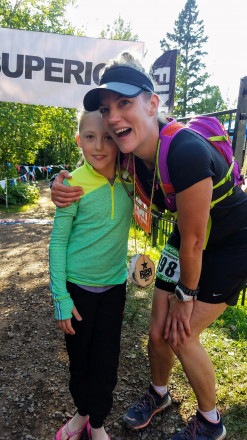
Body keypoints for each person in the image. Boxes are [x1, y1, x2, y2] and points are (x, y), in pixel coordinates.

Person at [51, 52, 247, 440]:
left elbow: (194, 241)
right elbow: (94, 162)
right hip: (189, 237)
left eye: (124, 103)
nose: (113, 117)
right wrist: (62, 181)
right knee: (156, 333)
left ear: (152, 104)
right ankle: (159, 394)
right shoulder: (130, 158)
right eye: (107, 110)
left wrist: (184, 295)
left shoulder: (185, 151)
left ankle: (211, 422)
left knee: (179, 333)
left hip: (230, 243)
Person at [49, 109, 133, 440]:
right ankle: (81, 413)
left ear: (119, 139)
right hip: (77, 292)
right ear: (78, 139)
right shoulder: (71, 185)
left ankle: (96, 423)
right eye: (89, 137)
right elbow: (58, 245)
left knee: (106, 363)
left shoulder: (131, 181)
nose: (99, 146)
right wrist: (61, 299)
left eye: (108, 137)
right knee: (80, 362)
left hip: (114, 290)